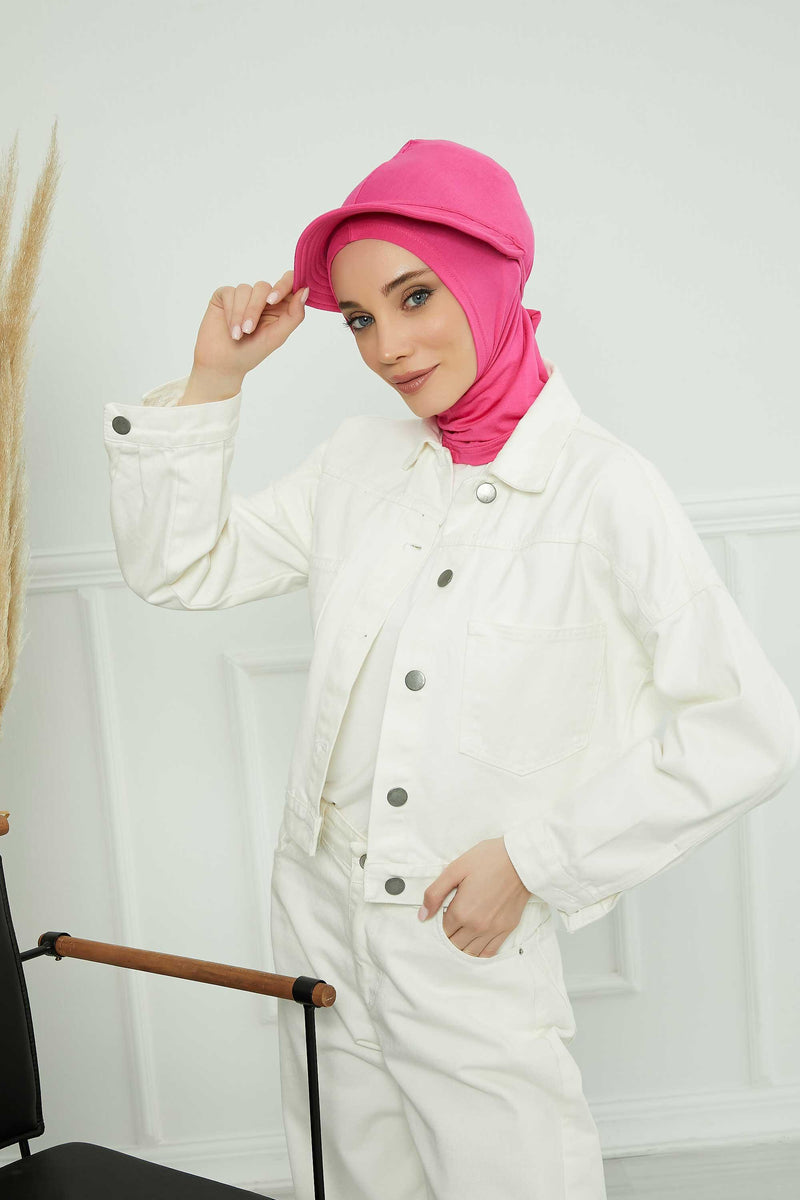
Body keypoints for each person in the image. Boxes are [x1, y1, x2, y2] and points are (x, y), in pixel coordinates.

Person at [103, 139, 800, 1200]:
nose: (387, 346)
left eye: (415, 296)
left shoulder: (604, 490)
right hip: (319, 921)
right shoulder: (358, 463)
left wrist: (534, 860)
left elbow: (747, 728)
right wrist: (215, 379)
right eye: (358, 319)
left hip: (463, 940)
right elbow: (179, 566)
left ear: (491, 276)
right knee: (351, 1183)